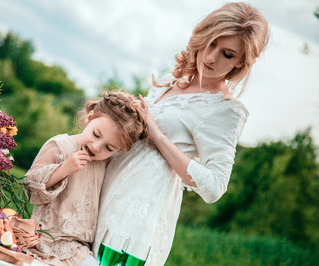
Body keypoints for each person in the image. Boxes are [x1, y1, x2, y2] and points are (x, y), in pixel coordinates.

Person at [92, 2, 270, 265]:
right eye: (211, 43)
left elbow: (214, 186)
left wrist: (158, 136)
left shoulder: (225, 110)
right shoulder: (173, 79)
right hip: (107, 186)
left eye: (227, 54)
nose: (211, 58)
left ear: (242, 61)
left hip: (136, 216)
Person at [23, 91, 147, 266]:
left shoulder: (103, 162)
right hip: (46, 238)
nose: (96, 147)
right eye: (96, 134)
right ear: (89, 118)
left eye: (109, 147)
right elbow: (29, 186)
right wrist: (63, 169)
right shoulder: (60, 146)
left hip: (79, 247)